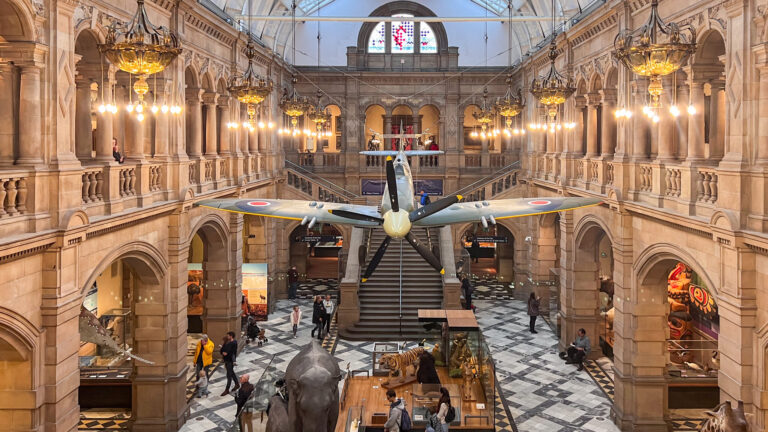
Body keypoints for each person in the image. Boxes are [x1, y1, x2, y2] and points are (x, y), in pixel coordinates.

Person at [220, 331, 239, 396]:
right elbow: (222, 349)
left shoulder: (234, 343)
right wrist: (223, 352)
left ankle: (227, 389)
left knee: (229, 375)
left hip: (230, 361)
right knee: (231, 373)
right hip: (226, 360)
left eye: (228, 336)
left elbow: (233, 352)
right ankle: (237, 384)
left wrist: (226, 353)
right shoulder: (226, 342)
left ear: (231, 336)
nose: (227, 337)